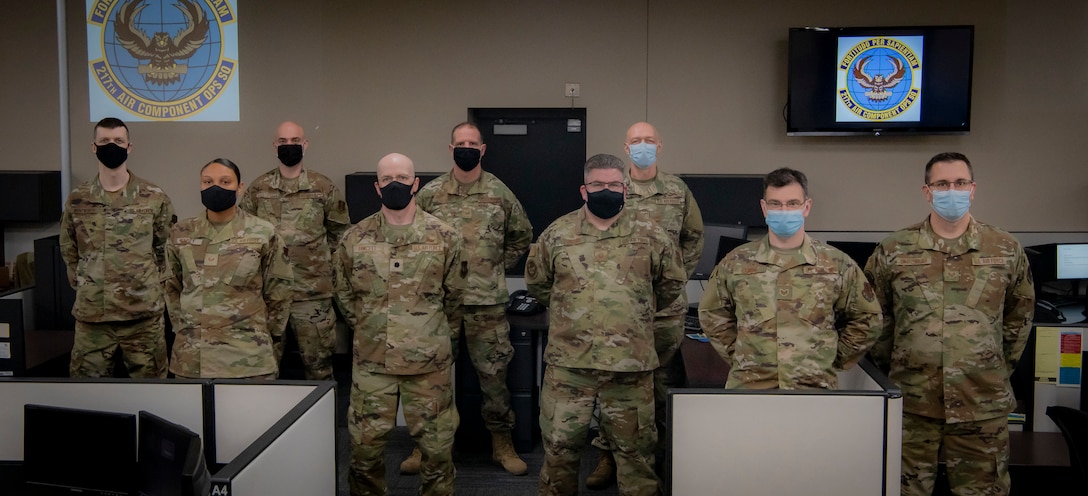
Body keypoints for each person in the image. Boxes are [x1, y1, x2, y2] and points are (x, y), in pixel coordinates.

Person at [864, 152, 1035, 496]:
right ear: (927, 191)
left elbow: (1020, 317)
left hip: (982, 404)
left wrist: (991, 367)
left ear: (973, 189)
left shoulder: (1004, 247)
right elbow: (875, 321)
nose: (951, 190)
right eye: (942, 184)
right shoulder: (894, 248)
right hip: (912, 404)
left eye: (959, 183)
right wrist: (899, 369)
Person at [526, 153, 686, 496]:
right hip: (570, 367)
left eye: (614, 184)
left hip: (630, 368)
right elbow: (539, 284)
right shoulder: (557, 234)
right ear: (584, 190)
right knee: (559, 456)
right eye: (598, 184)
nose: (606, 190)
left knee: (636, 459)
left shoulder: (652, 236)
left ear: (625, 189)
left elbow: (670, 286)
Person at [334, 153, 464, 496]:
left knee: (437, 454)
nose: (396, 184)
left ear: (415, 183)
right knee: (364, 453)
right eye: (388, 179)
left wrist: (431, 334)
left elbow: (454, 298)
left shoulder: (445, 237)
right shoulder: (353, 239)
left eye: (403, 178)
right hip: (372, 363)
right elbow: (345, 297)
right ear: (377, 187)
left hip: (428, 364)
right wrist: (371, 328)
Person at [408, 122, 533, 476]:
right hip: (439, 303)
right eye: (459, 143)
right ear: (450, 149)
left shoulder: (499, 192)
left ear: (483, 149)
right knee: (430, 377)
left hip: (487, 303)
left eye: (472, 143)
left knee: (494, 377)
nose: (466, 148)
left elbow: (522, 234)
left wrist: (494, 266)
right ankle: (424, 446)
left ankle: (501, 443)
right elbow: (413, 238)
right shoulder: (430, 195)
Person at [586, 122, 704, 489]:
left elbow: (694, 237)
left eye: (648, 141)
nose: (642, 146)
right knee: (614, 386)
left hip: (664, 311)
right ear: (625, 147)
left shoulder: (676, 190)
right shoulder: (612, 188)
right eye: (636, 141)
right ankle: (609, 457)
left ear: (660, 146)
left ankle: (663, 463)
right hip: (618, 309)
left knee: (662, 386)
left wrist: (674, 280)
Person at [698, 167, 882, 389]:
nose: (784, 210)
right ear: (764, 208)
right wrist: (742, 355)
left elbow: (867, 318)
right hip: (751, 388)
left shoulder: (836, 263)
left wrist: (831, 357)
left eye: (792, 203)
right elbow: (711, 313)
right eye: (775, 204)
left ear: (806, 207)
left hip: (814, 388)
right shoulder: (736, 262)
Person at [59, 117, 175, 378]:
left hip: (142, 317)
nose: (112, 146)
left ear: (129, 147)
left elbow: (165, 249)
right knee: (88, 398)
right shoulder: (78, 199)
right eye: (105, 141)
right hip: (93, 319)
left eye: (118, 141)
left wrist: (148, 286)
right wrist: (88, 283)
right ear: (94, 147)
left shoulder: (153, 196)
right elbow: (69, 248)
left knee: (154, 394)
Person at [239, 121, 350, 381]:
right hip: (269, 296)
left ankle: (324, 421)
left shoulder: (323, 187)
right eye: (283, 142)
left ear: (305, 144)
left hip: (312, 295)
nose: (290, 146)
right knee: (264, 369)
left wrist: (324, 270)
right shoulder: (258, 189)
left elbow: (341, 234)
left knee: (319, 368)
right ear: (275, 146)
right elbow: (244, 237)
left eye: (295, 141)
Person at [164, 158, 294, 379]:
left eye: (225, 182)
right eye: (208, 182)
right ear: (200, 185)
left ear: (239, 187)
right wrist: (187, 329)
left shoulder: (263, 233)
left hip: (248, 357)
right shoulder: (181, 232)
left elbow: (279, 293)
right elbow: (171, 287)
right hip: (193, 358)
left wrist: (263, 334)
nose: (216, 187)